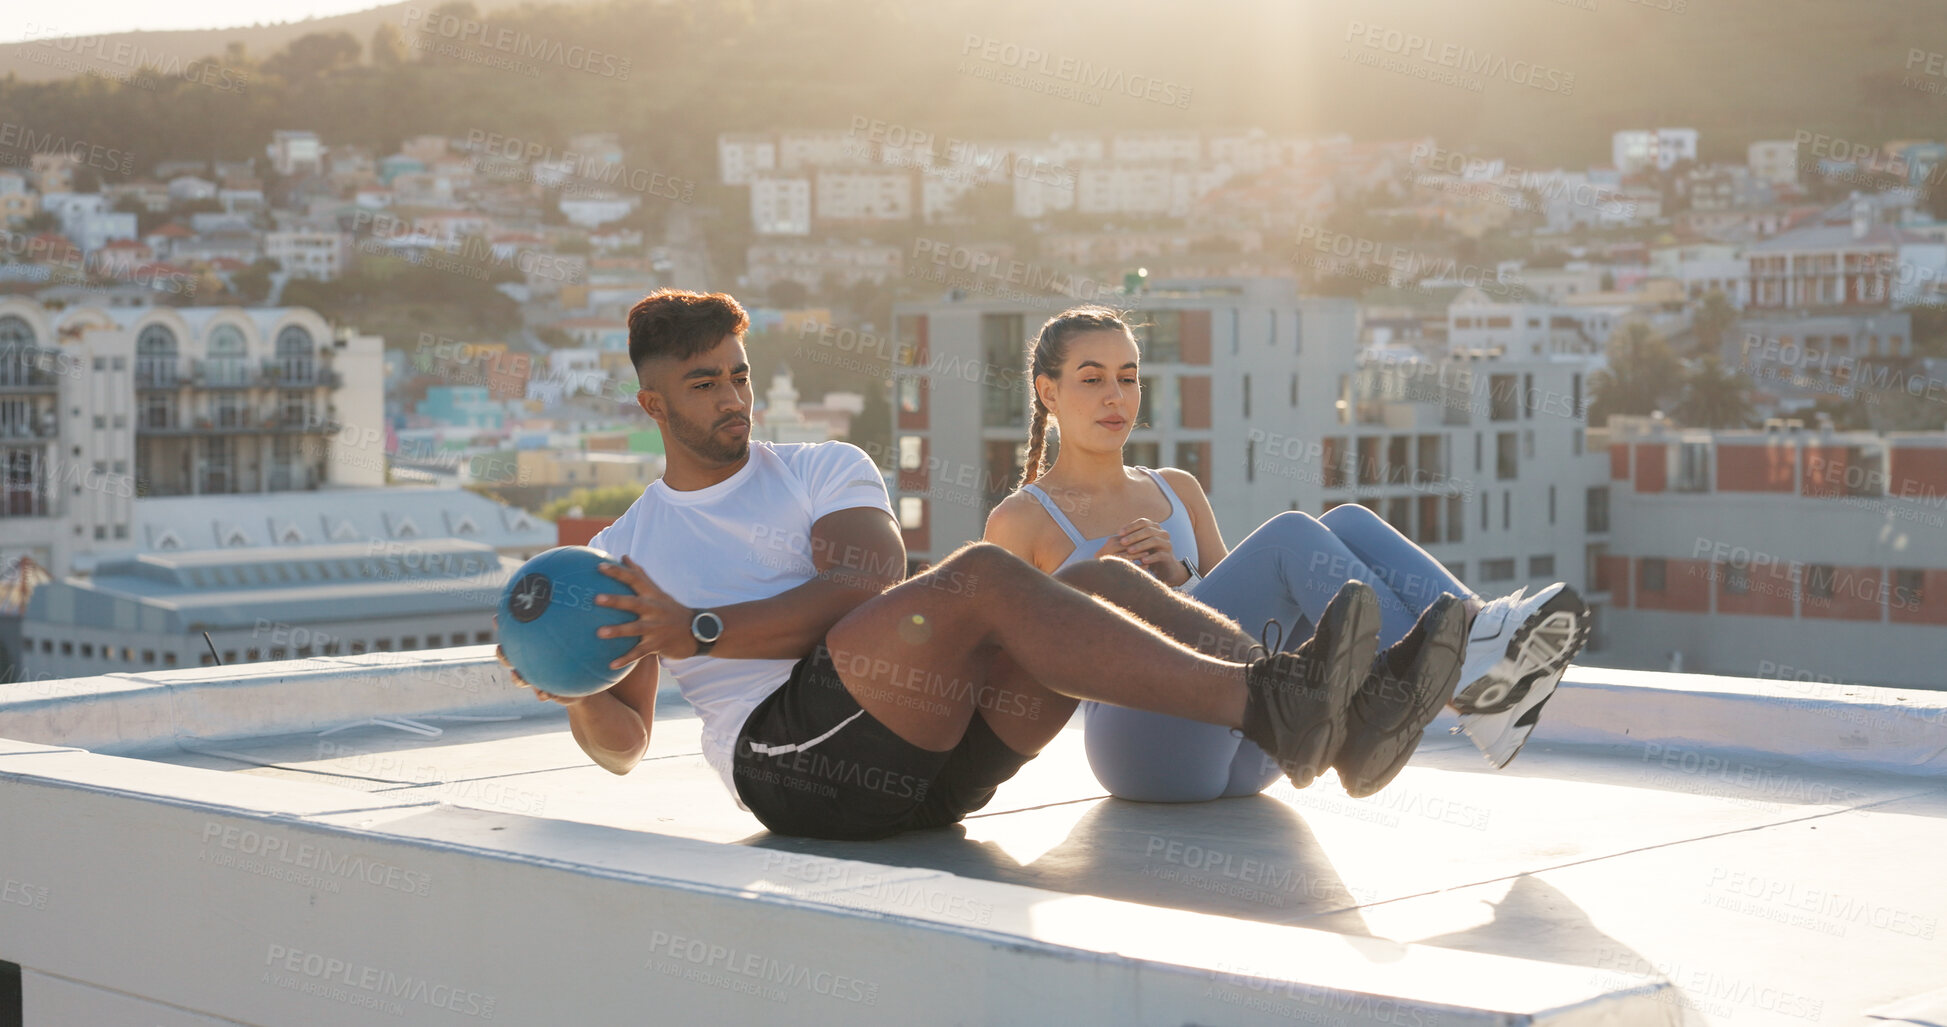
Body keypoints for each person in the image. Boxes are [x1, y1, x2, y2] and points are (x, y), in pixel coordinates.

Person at [494, 289, 1467, 841]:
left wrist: (698, 624)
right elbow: (623, 742)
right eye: (702, 384)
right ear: (654, 407)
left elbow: (865, 586)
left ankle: (1338, 714)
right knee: (991, 577)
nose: (731, 398)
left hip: (933, 773)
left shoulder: (825, 467)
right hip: (794, 766)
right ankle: (1286, 705)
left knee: (1103, 584)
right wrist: (572, 679)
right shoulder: (625, 552)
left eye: (739, 375)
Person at [983, 307, 1590, 803]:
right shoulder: (1022, 518)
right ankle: (1471, 676)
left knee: (1345, 521)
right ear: (1049, 392)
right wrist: (1109, 594)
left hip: (1259, 750)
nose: (1116, 395)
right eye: (1092, 378)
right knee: (1292, 537)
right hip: (1145, 747)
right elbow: (1009, 674)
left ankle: (1478, 653)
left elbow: (1243, 621)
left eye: (1129, 376)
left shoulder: (1176, 490)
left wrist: (1179, 580)